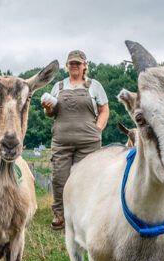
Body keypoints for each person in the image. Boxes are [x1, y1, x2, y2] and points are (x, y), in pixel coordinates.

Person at [42, 50, 109, 230]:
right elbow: (50, 113)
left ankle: (84, 216)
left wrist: (98, 129)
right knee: (59, 178)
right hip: (61, 142)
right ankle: (60, 215)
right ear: (67, 66)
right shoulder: (58, 86)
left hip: (88, 142)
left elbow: (104, 110)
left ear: (85, 66)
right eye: (71, 63)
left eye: (78, 63)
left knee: (87, 179)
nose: (74, 66)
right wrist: (47, 108)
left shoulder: (94, 86)